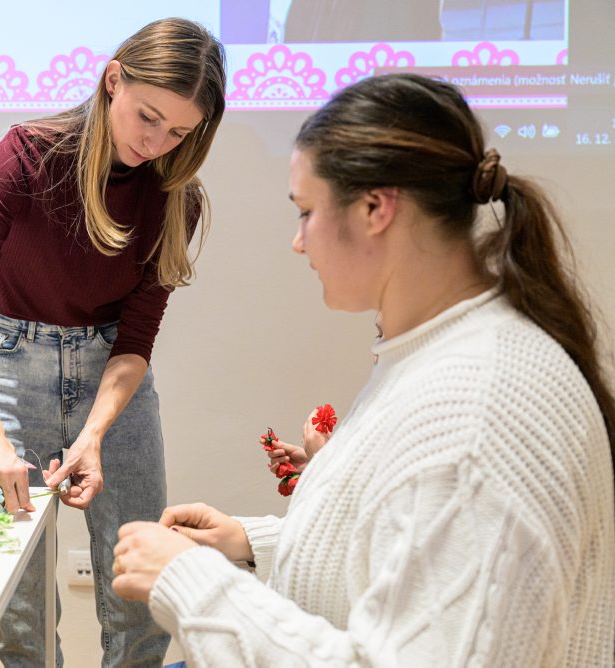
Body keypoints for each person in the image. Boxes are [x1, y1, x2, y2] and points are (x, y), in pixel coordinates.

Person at [111, 73, 615, 666]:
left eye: (306, 212)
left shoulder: (479, 407)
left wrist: (189, 583)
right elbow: (410, 556)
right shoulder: (441, 350)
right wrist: (260, 542)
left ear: (377, 207)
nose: (299, 242)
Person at [0, 17, 226, 666]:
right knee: (21, 611)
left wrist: (93, 433)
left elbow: (136, 338)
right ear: (113, 79)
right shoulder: (26, 156)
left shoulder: (175, 197)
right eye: (148, 117)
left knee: (139, 591)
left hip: (112, 378)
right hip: (7, 364)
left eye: (180, 131)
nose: (157, 142)